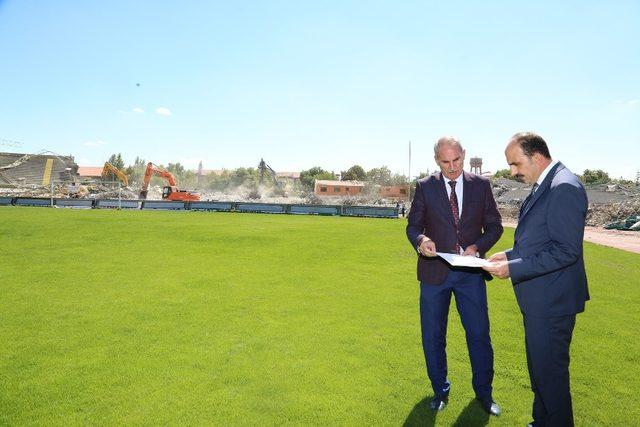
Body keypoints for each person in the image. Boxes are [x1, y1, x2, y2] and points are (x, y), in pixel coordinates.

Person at [483, 132, 589, 426]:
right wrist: (508, 254)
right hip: (542, 301)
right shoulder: (547, 183)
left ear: (537, 156)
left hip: (552, 304)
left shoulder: (563, 186)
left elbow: (566, 251)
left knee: (550, 377)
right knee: (541, 374)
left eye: (516, 164)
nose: (514, 172)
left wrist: (514, 268)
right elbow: (539, 241)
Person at [406, 136, 503, 415]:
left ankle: (484, 395)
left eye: (456, 160)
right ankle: (440, 391)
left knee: (479, 335)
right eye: (445, 162)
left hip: (470, 275)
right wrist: (422, 240)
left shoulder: (482, 186)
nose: (452, 167)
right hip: (434, 274)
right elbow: (413, 227)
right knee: (433, 336)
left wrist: (478, 247)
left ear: (465, 154)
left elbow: (495, 227)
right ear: (437, 160)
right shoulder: (425, 187)